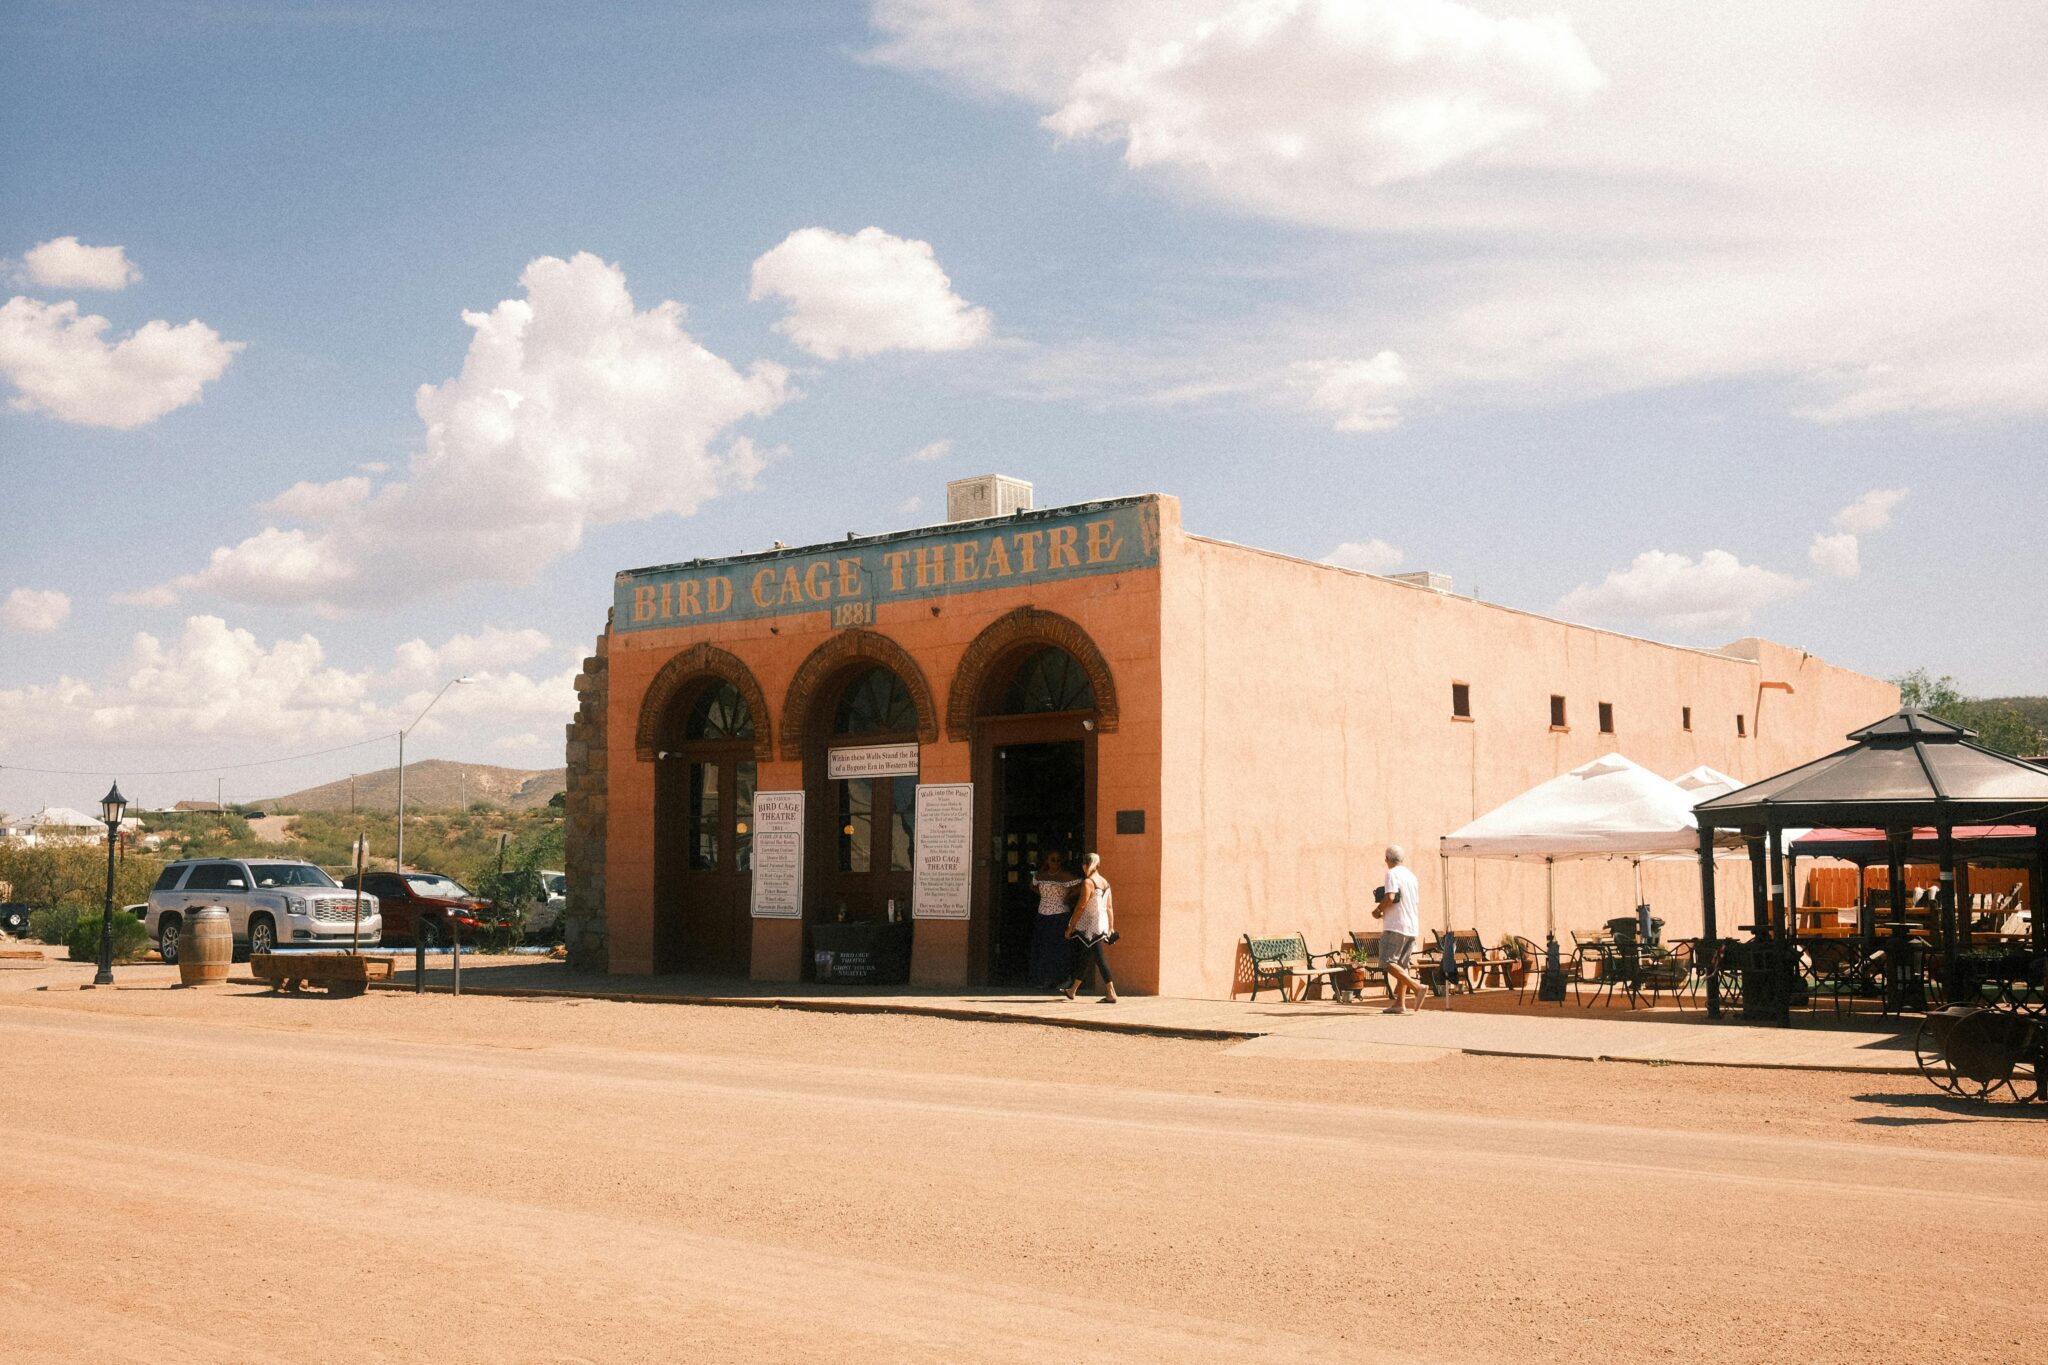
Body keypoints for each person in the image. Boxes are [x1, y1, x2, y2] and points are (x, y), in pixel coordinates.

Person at [1372, 844, 1425, 1014]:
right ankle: (1400, 1004)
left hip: (1396, 925)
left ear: (1387, 859)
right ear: (1402, 859)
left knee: (1387, 962)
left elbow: (1390, 896)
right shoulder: (1411, 876)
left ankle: (1417, 987)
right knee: (1402, 965)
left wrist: (1378, 910)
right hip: (1412, 926)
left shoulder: (1392, 873)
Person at [1060, 852, 1117, 1004]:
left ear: (1085, 866)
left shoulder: (1088, 882)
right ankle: (1073, 990)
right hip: (1101, 923)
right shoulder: (1105, 882)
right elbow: (1109, 907)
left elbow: (1081, 906)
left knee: (1099, 957)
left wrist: (1071, 926)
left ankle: (1111, 992)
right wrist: (1111, 927)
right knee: (1086, 955)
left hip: (1091, 926)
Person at [1028, 850, 1081, 988]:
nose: (1055, 863)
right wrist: (1044, 896)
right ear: (1047, 860)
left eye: (1058, 860)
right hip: (1043, 915)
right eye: (1052, 860)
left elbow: (1079, 887)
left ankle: (1063, 978)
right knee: (1044, 948)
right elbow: (1032, 886)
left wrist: (1067, 897)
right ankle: (1045, 979)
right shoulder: (1041, 875)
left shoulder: (1065, 875)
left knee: (1059, 948)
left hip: (1059, 915)